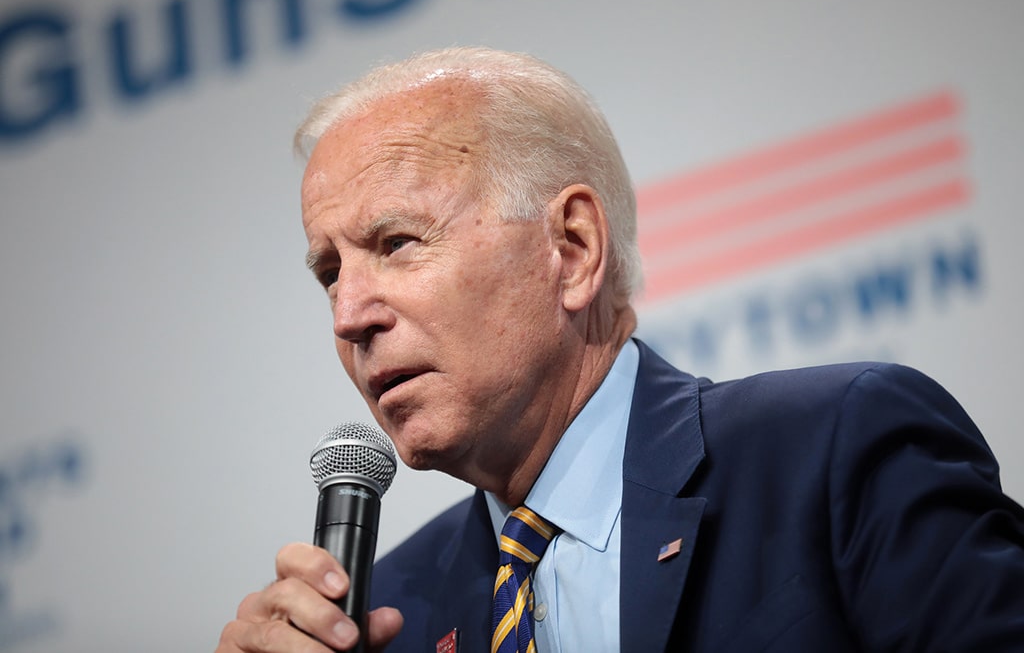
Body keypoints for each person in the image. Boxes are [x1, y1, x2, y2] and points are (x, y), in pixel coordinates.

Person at [217, 46, 1024, 653]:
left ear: (570, 248)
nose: (349, 313)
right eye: (330, 271)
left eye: (396, 243)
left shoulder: (837, 450)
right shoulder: (385, 612)